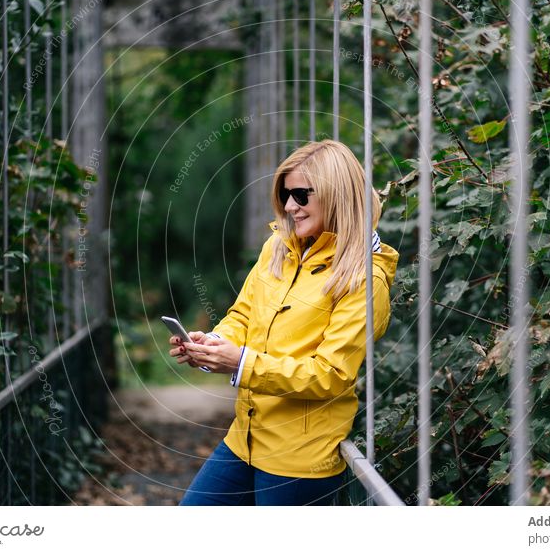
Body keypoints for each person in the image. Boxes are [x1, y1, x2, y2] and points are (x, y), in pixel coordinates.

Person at [170, 139, 399, 506]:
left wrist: (241, 362)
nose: (290, 206)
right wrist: (213, 343)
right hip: (244, 438)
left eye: (301, 195)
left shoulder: (363, 280)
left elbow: (330, 375)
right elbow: (244, 313)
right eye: (285, 195)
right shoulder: (279, 248)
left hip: (298, 460)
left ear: (336, 195)